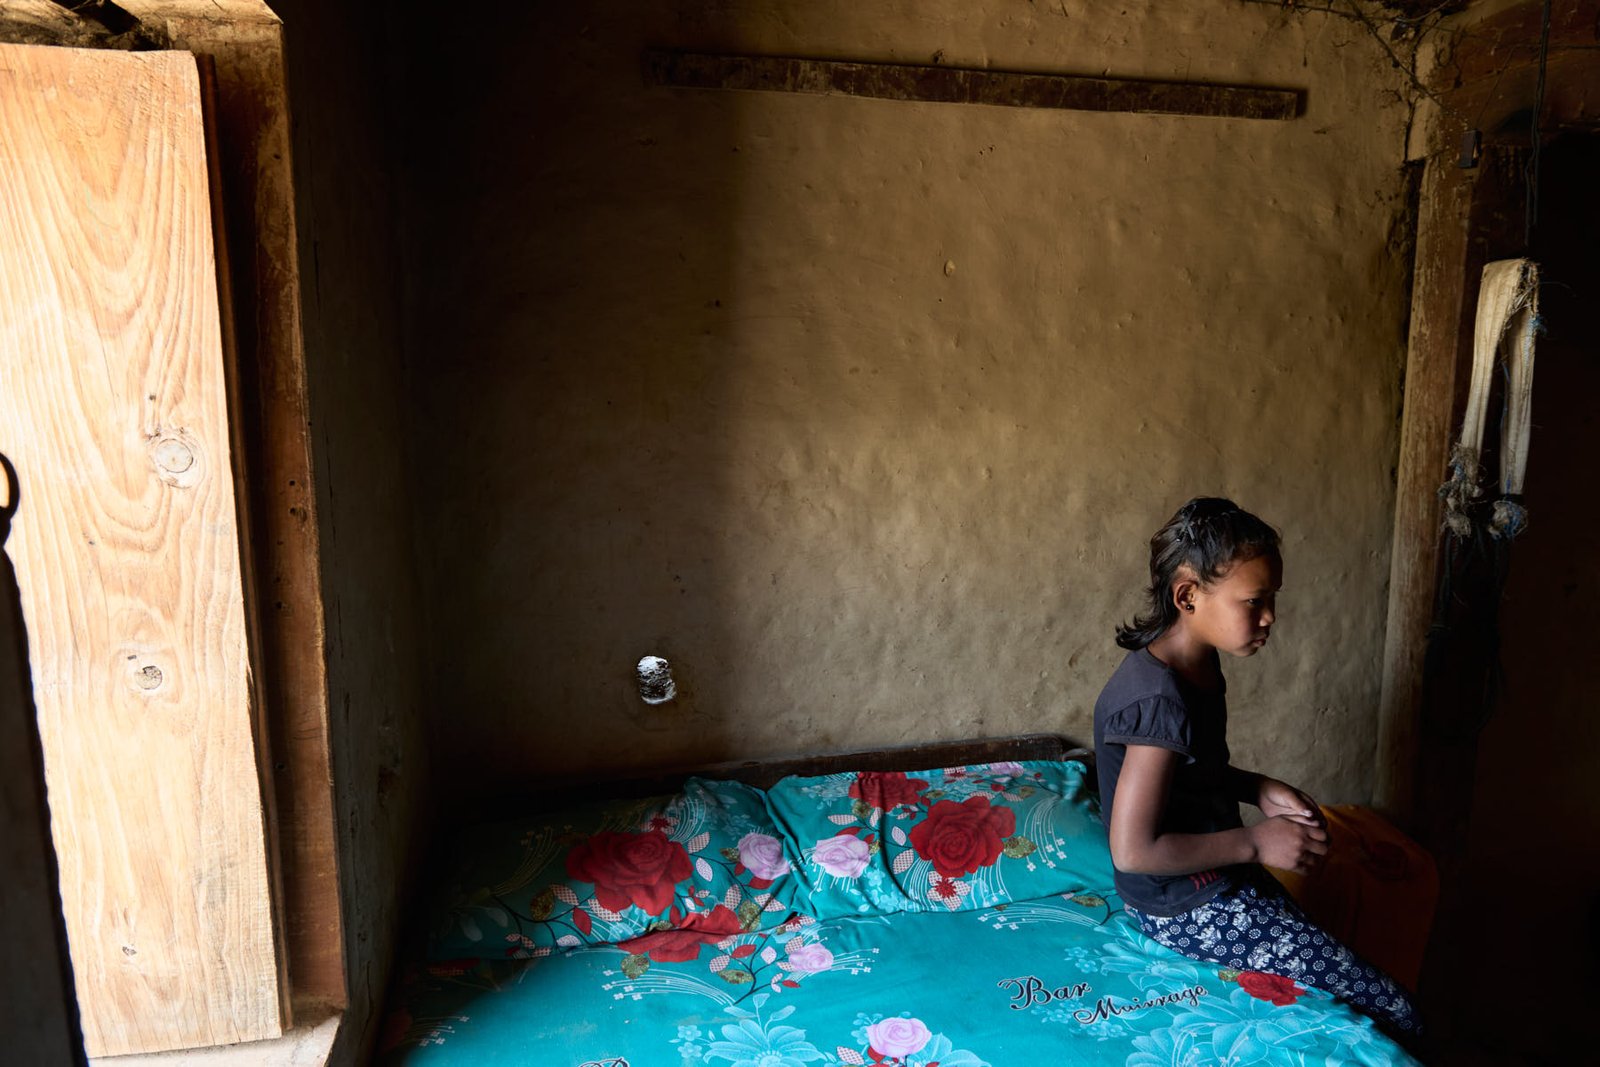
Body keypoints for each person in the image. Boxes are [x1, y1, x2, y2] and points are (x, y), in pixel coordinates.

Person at [1094, 496, 1420, 1040]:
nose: (1269, 617)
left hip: (1210, 877)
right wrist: (1255, 842)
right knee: (1396, 1012)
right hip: (1179, 904)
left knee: (1338, 964)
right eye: (1254, 601)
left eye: (1272, 599)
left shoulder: (1196, 663)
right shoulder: (1157, 700)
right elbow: (1132, 851)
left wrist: (1256, 787)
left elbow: (1189, 773)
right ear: (1187, 596)